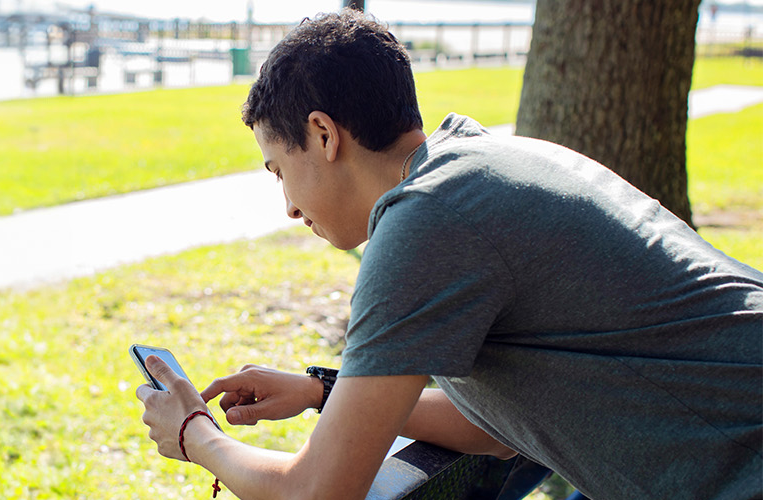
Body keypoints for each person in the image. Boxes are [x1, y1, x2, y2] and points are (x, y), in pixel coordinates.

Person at [132, 9, 763, 500]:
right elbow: (494, 432)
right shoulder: (483, 164)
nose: (289, 209)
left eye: (278, 170)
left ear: (323, 135)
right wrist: (319, 391)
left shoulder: (427, 217)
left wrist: (195, 434)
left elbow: (318, 489)